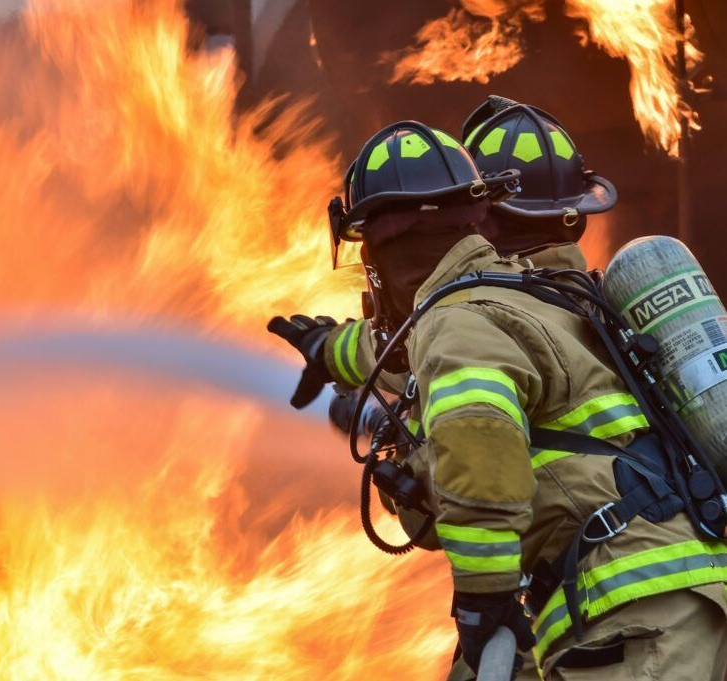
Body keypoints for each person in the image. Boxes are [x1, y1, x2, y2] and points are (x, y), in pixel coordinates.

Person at [268, 114, 727, 680]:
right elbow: (401, 351)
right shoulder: (544, 299)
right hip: (689, 592)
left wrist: (485, 603)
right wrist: (328, 348)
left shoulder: (457, 321)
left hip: (634, 616)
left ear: (385, 253)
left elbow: (478, 449)